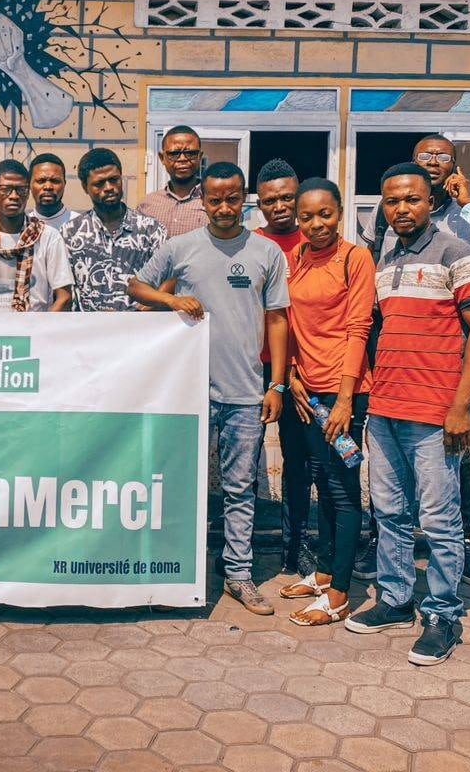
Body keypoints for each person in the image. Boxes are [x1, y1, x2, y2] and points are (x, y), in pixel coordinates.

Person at [345, 163, 470, 666]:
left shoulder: (459, 254)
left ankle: (444, 615)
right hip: (385, 408)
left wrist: (460, 405)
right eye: (391, 201)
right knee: (389, 513)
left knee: (439, 520)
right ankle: (395, 599)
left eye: (411, 199)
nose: (401, 209)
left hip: (434, 413)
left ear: (431, 202)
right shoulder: (384, 262)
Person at [354, 134, 470, 588]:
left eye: (442, 156)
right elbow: (374, 293)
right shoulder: (388, 234)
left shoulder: (462, 228)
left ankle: (456, 560)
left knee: (446, 487)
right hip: (396, 372)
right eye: (424, 156)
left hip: (448, 365)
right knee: (391, 500)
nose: (433, 162)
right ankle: (395, 587)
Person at [129, 162, 289, 615]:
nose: (223, 207)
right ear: (203, 201)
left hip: (244, 395)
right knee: (179, 484)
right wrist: (171, 298)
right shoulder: (180, 247)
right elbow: (136, 285)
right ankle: (175, 570)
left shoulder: (266, 253)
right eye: (215, 199)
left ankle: (239, 575)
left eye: (232, 198)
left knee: (240, 488)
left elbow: (277, 319)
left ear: (244, 199)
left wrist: (275, 384)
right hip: (187, 394)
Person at [278, 178, 375, 626]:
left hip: (343, 393)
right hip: (306, 389)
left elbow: (358, 328)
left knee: (342, 489)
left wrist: (343, 399)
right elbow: (291, 321)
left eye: (325, 214)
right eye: (307, 217)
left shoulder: (355, 258)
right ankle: (322, 573)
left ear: (340, 213)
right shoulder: (296, 257)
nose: (316, 224)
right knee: (320, 481)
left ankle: (339, 595)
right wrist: (293, 374)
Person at [255, 159, 313, 577]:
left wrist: (292, 369)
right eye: (270, 199)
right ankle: (239, 548)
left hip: (301, 370)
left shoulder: (314, 242)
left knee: (299, 460)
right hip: (250, 369)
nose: (279, 206)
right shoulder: (247, 241)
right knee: (242, 458)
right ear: (259, 204)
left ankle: (296, 549)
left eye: (286, 198)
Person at [0, 159, 73, 313]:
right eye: (5, 189)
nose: (14, 196)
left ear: (28, 192)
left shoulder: (48, 236)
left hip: (35, 332)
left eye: (21, 189)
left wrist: (41, 332)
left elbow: (64, 297)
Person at [61, 148, 166, 312]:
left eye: (114, 180)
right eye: (99, 183)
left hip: (140, 331)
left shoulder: (151, 230)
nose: (109, 187)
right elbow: (65, 291)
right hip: (86, 333)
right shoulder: (70, 233)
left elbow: (166, 283)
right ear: (84, 187)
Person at [138, 126, 208, 237]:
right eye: (174, 154)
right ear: (162, 158)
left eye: (190, 153)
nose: (183, 159)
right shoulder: (146, 205)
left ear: (200, 156)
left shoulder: (214, 203)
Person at [29, 153, 73, 230]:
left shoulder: (81, 225)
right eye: (41, 181)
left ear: (64, 184)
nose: (48, 187)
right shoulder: (23, 226)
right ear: (29, 184)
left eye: (55, 181)